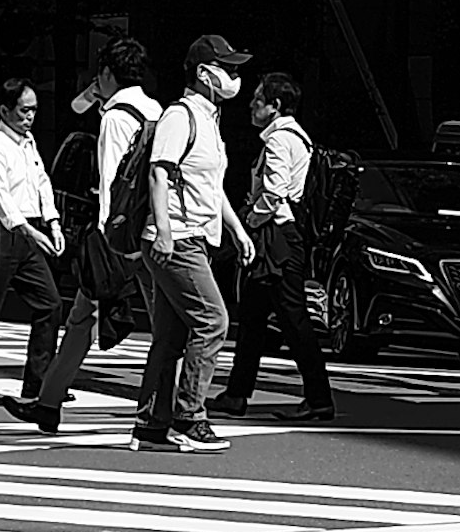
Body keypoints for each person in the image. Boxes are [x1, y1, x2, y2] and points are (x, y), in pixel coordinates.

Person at [27, 36, 159, 430]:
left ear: (106, 73)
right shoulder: (155, 109)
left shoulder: (117, 118)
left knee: (89, 320)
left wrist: (105, 239)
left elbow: (112, 180)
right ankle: (48, 403)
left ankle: (154, 411)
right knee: (92, 318)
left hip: (121, 237)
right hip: (152, 229)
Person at [134, 30, 253, 451]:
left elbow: (209, 187)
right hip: (177, 239)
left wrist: (237, 230)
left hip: (193, 237)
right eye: (227, 68)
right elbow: (158, 172)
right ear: (204, 73)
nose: (235, 77)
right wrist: (164, 230)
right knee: (213, 320)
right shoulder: (179, 116)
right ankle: (189, 416)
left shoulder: (208, 121)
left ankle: (151, 424)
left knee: (169, 336)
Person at [218, 66, 333, 419]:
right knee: (253, 316)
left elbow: (274, 191)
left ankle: (318, 398)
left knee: (293, 318)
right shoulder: (295, 136)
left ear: (276, 105)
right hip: (281, 236)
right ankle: (236, 394)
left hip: (277, 238)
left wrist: (250, 219)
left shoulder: (280, 139)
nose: (251, 107)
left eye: (257, 101)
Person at [0, 75, 61, 413]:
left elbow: (41, 181)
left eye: (34, 110)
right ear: (5, 110)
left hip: (28, 231)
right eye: (24, 111)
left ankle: (39, 382)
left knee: (50, 303)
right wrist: (28, 230)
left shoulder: (28, 142)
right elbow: (2, 198)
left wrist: (52, 222)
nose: (30, 117)